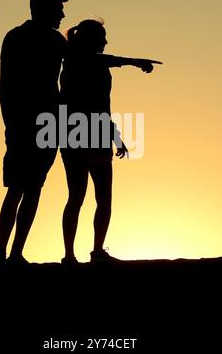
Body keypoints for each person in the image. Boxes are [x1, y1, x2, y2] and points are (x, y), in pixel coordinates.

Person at [59, 19, 162, 265]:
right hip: (75, 137)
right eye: (101, 37)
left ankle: (96, 252)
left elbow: (102, 108)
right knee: (77, 196)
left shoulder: (95, 64)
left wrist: (116, 138)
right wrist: (135, 62)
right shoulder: (74, 61)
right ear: (89, 38)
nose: (105, 41)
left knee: (103, 197)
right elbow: (105, 61)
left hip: (98, 137)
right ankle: (69, 255)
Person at [0, 0, 68, 268]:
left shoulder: (56, 40)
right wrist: (11, 123)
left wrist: (127, 62)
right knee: (17, 188)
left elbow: (86, 58)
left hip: (48, 124)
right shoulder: (16, 37)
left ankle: (14, 254)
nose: (62, 14)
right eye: (58, 8)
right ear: (44, 7)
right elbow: (5, 86)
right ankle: (2, 254)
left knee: (33, 188)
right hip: (22, 124)